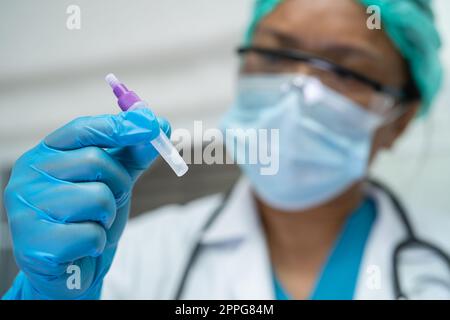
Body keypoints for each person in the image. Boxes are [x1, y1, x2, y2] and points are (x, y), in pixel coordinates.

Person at [3, 0, 448, 300]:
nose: (295, 90)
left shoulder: (439, 267)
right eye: (275, 56)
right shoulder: (133, 260)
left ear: (400, 118)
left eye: (344, 70)